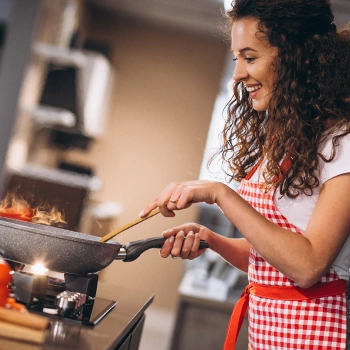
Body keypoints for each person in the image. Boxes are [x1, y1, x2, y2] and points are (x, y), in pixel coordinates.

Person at [140, 0, 350, 349]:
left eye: (250, 58)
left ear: (298, 58)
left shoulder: (342, 144)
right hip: (267, 335)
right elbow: (271, 258)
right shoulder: (294, 141)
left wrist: (221, 193)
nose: (238, 73)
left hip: (316, 337)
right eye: (238, 58)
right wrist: (211, 239)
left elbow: (308, 265)